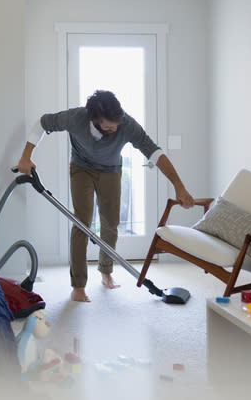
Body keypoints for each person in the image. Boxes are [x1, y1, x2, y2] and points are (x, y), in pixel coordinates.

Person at [17, 90, 195, 302]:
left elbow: (154, 152)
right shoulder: (75, 118)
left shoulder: (126, 124)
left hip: (111, 170)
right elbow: (41, 124)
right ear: (94, 120)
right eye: (110, 126)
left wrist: (179, 186)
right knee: (81, 222)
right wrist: (26, 156)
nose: (116, 129)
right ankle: (78, 285)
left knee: (111, 222)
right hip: (81, 168)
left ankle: (105, 271)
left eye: (117, 124)